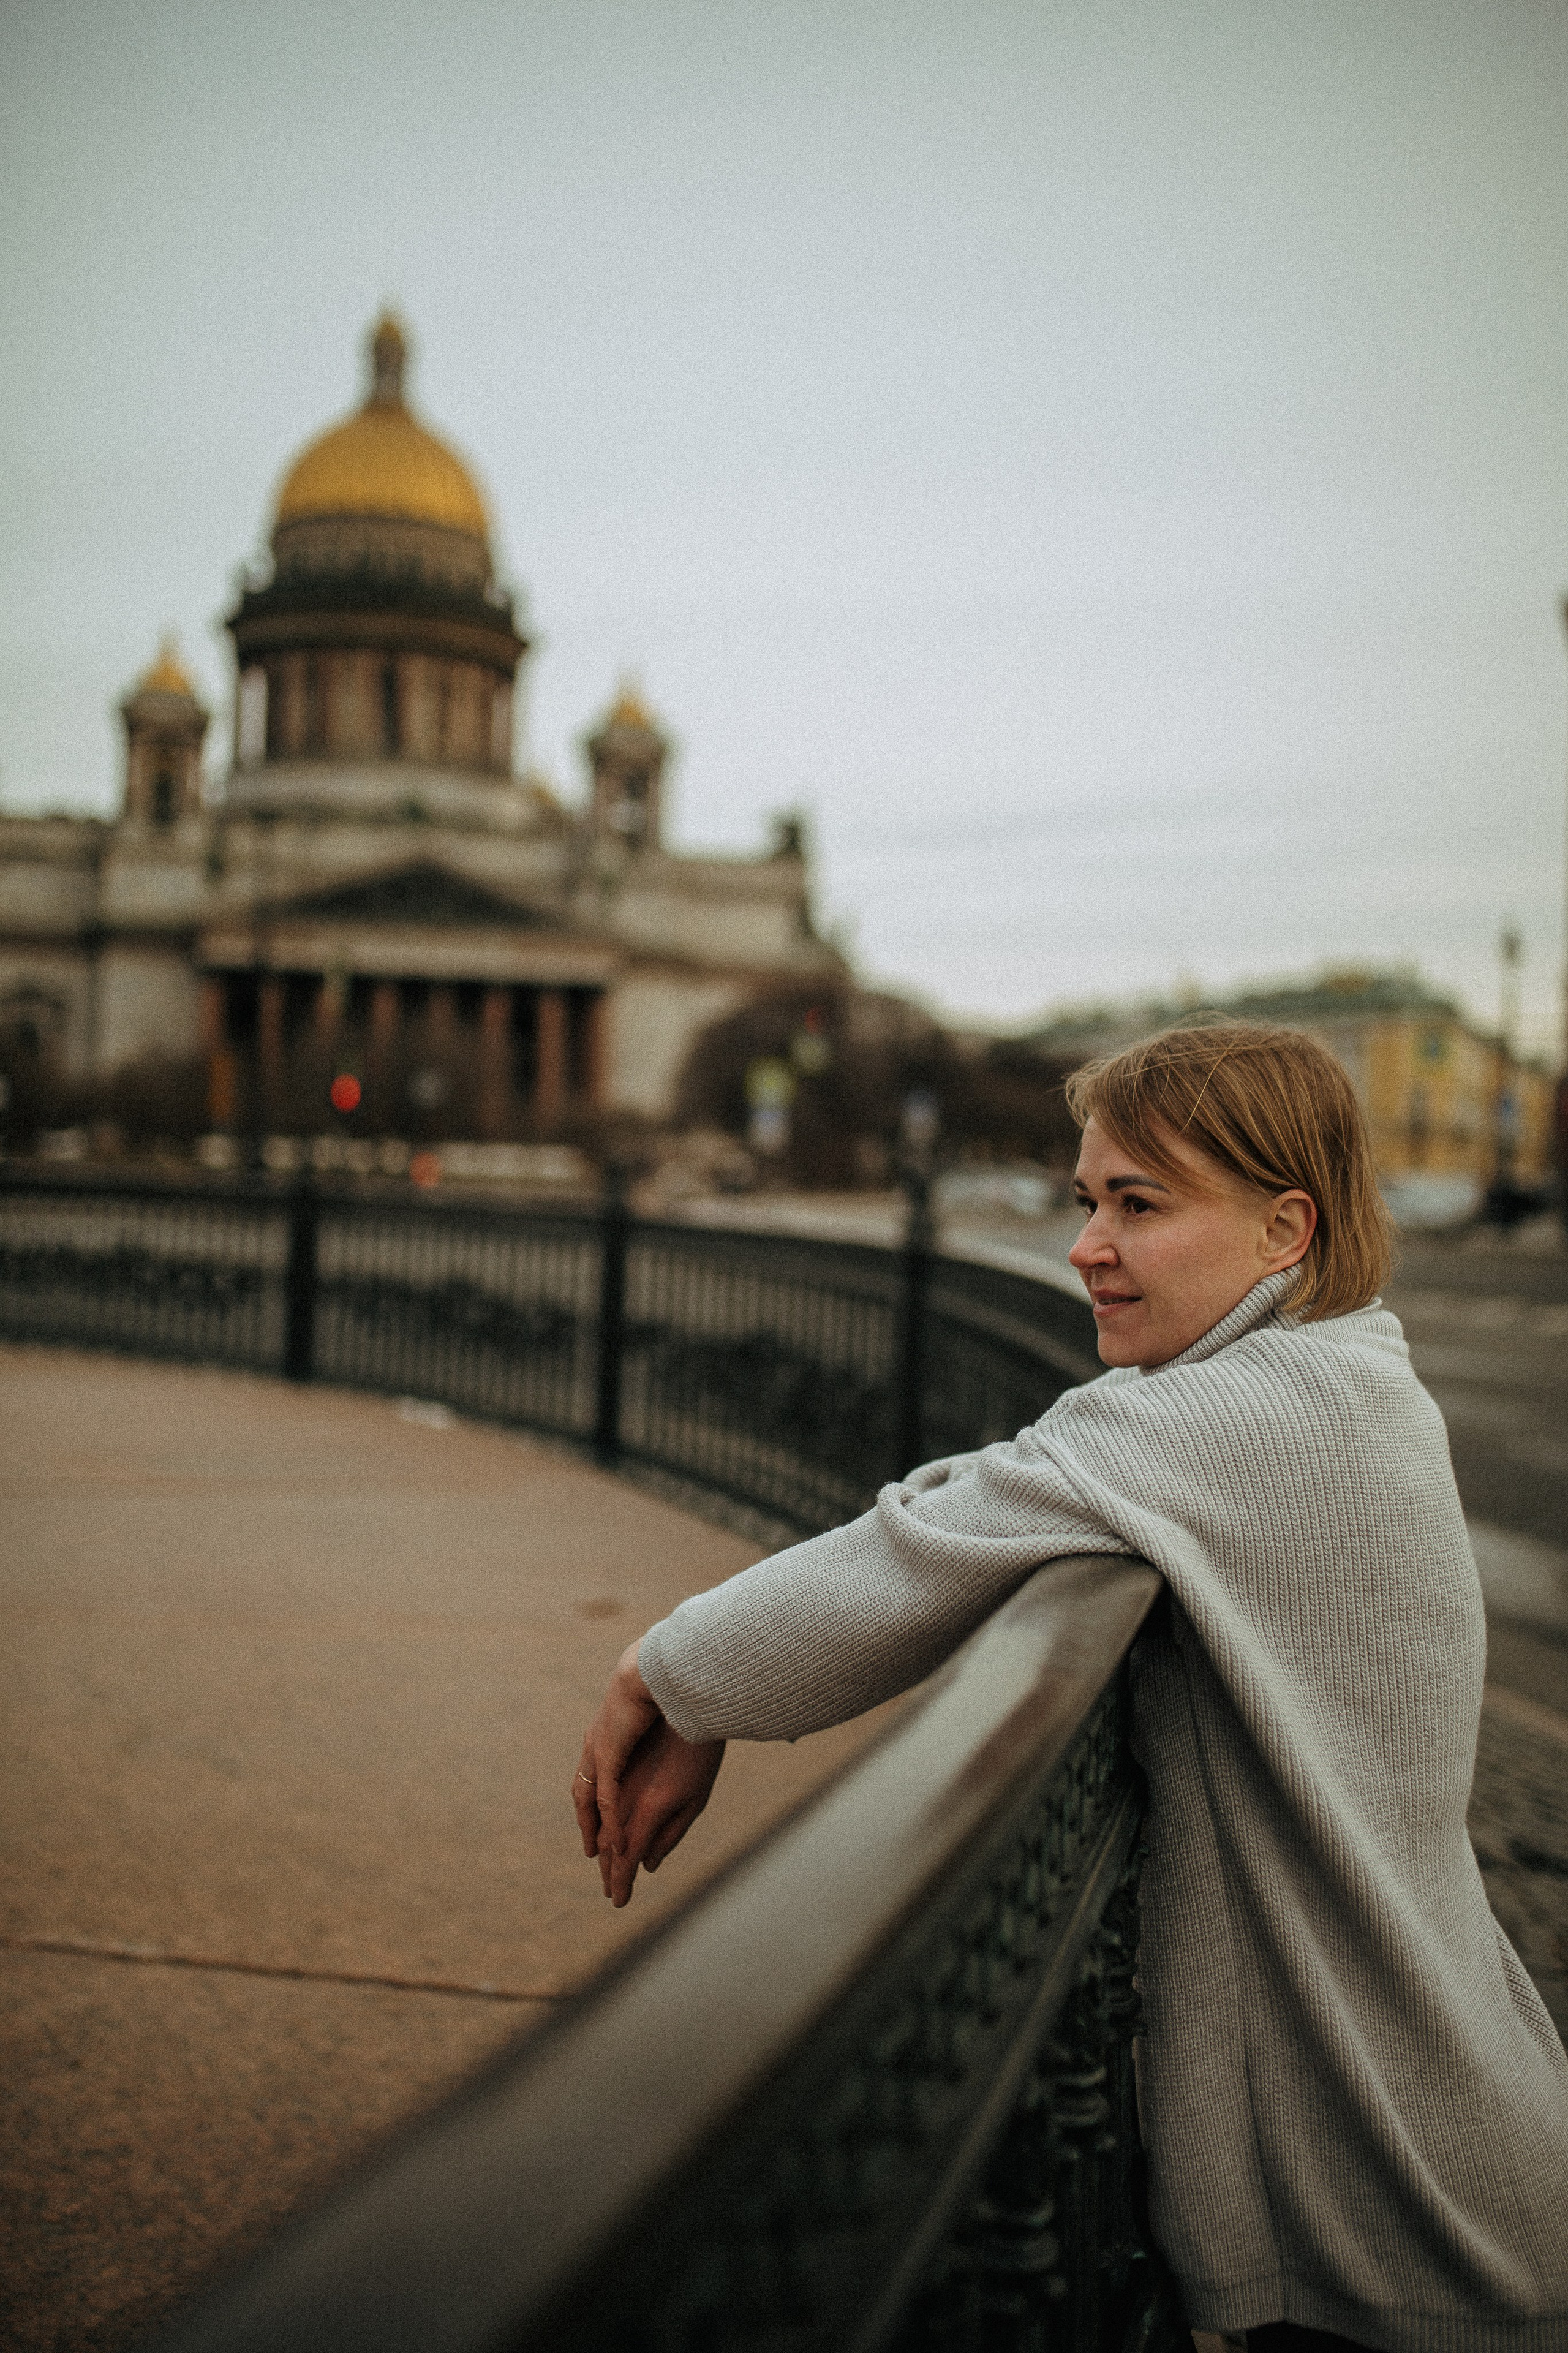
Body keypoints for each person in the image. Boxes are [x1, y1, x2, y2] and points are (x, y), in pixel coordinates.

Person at [573, 1022, 1568, 2353]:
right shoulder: (1335, 1376)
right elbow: (1000, 1484)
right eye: (1088, 1197)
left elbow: (927, 1544)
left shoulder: (1240, 1414)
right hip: (1437, 2143)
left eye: (1138, 1205)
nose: (1083, 1244)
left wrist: (669, 1669)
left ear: (1285, 1229)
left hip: (1384, 2205)